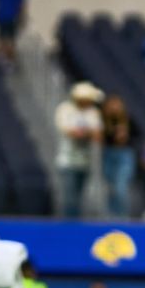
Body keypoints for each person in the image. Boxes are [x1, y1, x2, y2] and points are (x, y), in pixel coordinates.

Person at [54, 81, 104, 218]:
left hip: (85, 161)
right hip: (67, 160)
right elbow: (70, 132)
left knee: (80, 196)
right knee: (69, 197)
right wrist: (87, 132)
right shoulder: (65, 109)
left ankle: (75, 224)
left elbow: (98, 136)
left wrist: (84, 133)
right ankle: (67, 228)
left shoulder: (93, 112)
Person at [99, 95, 138, 218]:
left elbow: (138, 135)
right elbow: (100, 138)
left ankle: (122, 216)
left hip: (124, 154)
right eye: (112, 104)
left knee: (121, 186)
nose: (115, 107)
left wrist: (125, 136)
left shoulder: (128, 119)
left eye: (117, 104)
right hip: (109, 153)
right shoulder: (104, 120)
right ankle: (111, 216)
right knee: (110, 186)